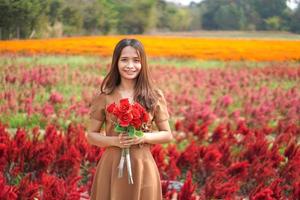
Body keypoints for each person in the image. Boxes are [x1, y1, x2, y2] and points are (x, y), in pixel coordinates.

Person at [86, 38, 173, 200]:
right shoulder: (105, 96)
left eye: (136, 60)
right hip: (111, 167)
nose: (130, 66)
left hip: (143, 166)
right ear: (116, 62)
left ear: (143, 64)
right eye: (124, 60)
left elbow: (167, 134)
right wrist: (115, 141)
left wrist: (142, 137)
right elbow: (91, 135)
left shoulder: (154, 96)